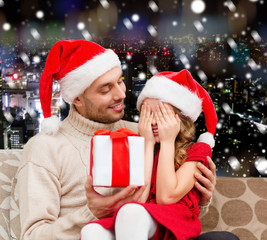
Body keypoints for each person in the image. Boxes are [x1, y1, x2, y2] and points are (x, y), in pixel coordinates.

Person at [17, 40, 236, 240]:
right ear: (76, 98)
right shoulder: (45, 148)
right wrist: (91, 213)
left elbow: (168, 201)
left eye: (120, 82)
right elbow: (33, 236)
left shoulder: (144, 132)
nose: (121, 94)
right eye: (106, 89)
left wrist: (201, 195)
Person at [80, 69, 220, 239]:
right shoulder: (144, 148)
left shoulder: (198, 150)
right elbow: (139, 199)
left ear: (180, 118)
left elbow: (166, 197)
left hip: (174, 222)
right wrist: (147, 143)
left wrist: (168, 141)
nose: (153, 121)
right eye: (147, 114)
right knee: (91, 231)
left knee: (131, 212)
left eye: (161, 114)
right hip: (141, 218)